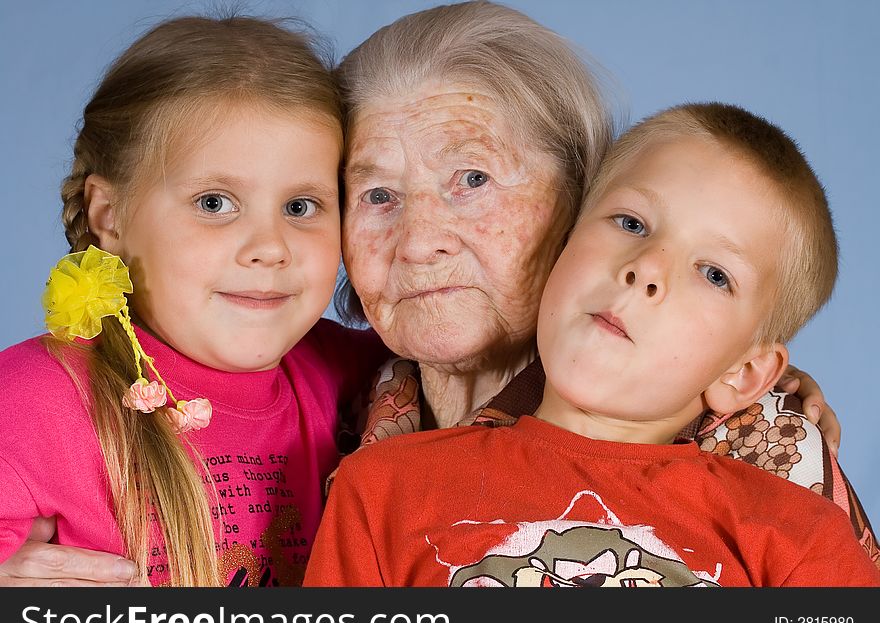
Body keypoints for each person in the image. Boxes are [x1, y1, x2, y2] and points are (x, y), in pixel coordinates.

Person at [329, 0, 877, 563]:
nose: (419, 243)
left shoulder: (761, 449)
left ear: (578, 198)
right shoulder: (332, 397)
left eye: (472, 178)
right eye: (378, 196)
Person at [0, 15, 387, 587]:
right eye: (214, 202)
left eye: (302, 207)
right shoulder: (36, 398)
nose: (269, 248)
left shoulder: (360, 372)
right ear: (110, 215)